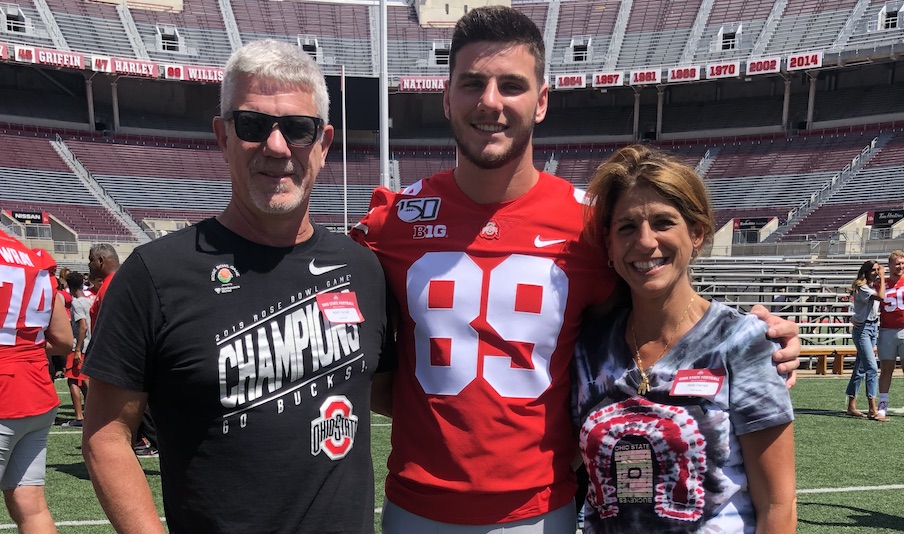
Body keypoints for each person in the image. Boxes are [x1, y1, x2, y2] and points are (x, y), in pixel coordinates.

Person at [351, 6, 800, 532]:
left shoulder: (592, 228)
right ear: (446, 97)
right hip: (417, 505)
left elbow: (660, 312)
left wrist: (756, 336)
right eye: (472, 83)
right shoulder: (390, 223)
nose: (490, 102)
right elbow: (370, 375)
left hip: (542, 512)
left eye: (511, 85)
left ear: (541, 102)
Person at [81, 39, 388, 533]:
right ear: (223, 137)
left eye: (298, 128)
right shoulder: (154, 274)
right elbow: (105, 435)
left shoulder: (362, 268)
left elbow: (391, 391)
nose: (276, 146)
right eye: (252, 125)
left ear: (324, 144)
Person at [572, 145, 796, 533]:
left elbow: (778, 504)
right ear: (609, 245)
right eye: (626, 227)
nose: (645, 242)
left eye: (662, 222)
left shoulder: (742, 342)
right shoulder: (589, 347)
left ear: (697, 233)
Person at [0, 230, 73, 533]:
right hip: (36, 391)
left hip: (5, 392)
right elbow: (63, 340)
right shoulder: (32, 259)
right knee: (32, 507)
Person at [845, 260, 886, 420]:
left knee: (860, 369)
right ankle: (872, 409)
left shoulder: (869, 286)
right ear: (867, 271)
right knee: (871, 368)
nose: (877, 273)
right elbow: (881, 297)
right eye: (874, 270)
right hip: (863, 330)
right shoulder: (863, 287)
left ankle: (851, 406)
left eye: (878, 270)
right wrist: (882, 277)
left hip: (871, 328)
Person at [60, 271, 93, 429]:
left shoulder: (77, 303)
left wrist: (78, 349)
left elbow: (82, 326)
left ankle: (79, 416)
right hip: (90, 344)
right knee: (86, 381)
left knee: (73, 380)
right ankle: (91, 413)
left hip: (79, 345)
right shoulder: (90, 301)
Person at [876, 250, 904, 418]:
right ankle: (883, 402)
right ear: (890, 265)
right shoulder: (882, 284)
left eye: (902, 263)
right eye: (898, 263)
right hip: (887, 330)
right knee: (887, 369)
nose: (900, 266)